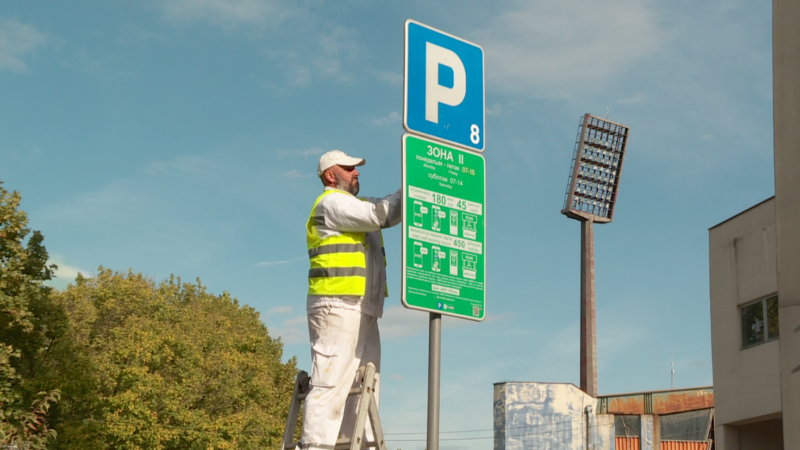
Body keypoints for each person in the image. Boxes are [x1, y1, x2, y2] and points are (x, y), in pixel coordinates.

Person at [301, 150, 401, 450]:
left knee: (366, 387)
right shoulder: (332, 203)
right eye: (349, 169)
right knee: (331, 385)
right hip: (336, 305)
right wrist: (417, 184)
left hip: (363, 309)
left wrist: (417, 186)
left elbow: (389, 208)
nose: (356, 172)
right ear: (331, 176)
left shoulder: (355, 204)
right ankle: (317, 446)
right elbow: (380, 214)